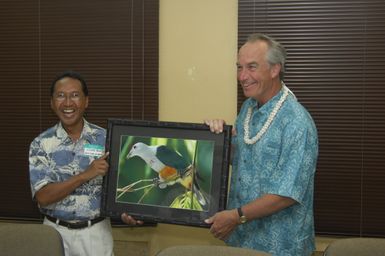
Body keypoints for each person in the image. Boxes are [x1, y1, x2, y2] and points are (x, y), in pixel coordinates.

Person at [204, 33, 318, 256]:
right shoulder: (248, 107)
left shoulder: (297, 123)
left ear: (275, 69)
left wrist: (234, 216)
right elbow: (243, 160)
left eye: (252, 67)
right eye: (239, 67)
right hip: (243, 240)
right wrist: (218, 137)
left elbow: (286, 194)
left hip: (280, 246)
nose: (242, 76)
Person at [29, 70, 141, 256]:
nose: (67, 103)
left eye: (74, 95)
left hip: (95, 234)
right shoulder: (41, 144)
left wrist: (125, 213)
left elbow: (119, 188)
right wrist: (84, 175)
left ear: (86, 101)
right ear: (52, 103)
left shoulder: (106, 139)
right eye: (60, 96)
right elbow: (43, 196)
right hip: (53, 233)